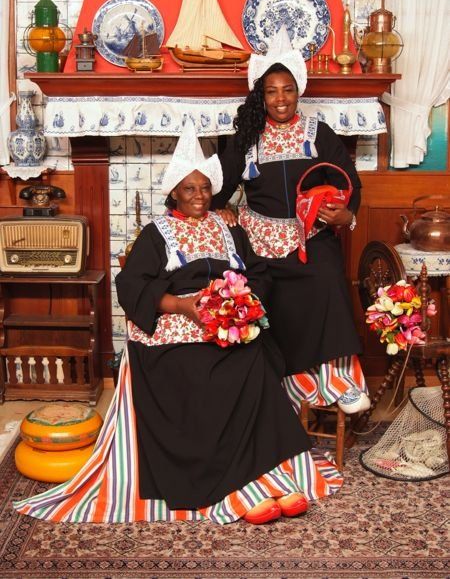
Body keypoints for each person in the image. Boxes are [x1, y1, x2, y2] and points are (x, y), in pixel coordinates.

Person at [14, 121, 342, 526]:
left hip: (227, 315)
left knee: (255, 362)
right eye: (189, 189)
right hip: (174, 318)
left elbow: (258, 272)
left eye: (205, 188)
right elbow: (132, 283)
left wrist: (242, 299)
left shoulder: (228, 228)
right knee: (200, 373)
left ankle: (267, 476)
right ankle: (232, 489)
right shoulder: (158, 233)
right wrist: (182, 306)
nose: (199, 196)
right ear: (174, 193)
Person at [212, 27, 370, 415]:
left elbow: (350, 183)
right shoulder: (247, 138)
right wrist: (221, 206)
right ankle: (272, 393)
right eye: (271, 91)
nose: (280, 99)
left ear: (298, 91)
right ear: (260, 95)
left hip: (308, 237)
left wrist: (347, 214)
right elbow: (216, 184)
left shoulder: (319, 134)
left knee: (328, 278)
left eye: (287, 90)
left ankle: (341, 383)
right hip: (257, 238)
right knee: (250, 295)